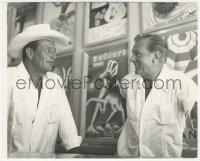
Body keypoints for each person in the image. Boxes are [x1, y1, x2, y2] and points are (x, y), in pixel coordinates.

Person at [117, 34, 197, 157]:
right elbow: (125, 109)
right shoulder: (127, 82)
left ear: (156, 56)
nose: (131, 59)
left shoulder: (182, 82)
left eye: (137, 54)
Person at [7, 24, 82, 153]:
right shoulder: (7, 77)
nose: (53, 56)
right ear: (30, 53)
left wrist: (76, 153)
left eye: (54, 52)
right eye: (48, 51)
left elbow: (67, 126)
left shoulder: (55, 81)